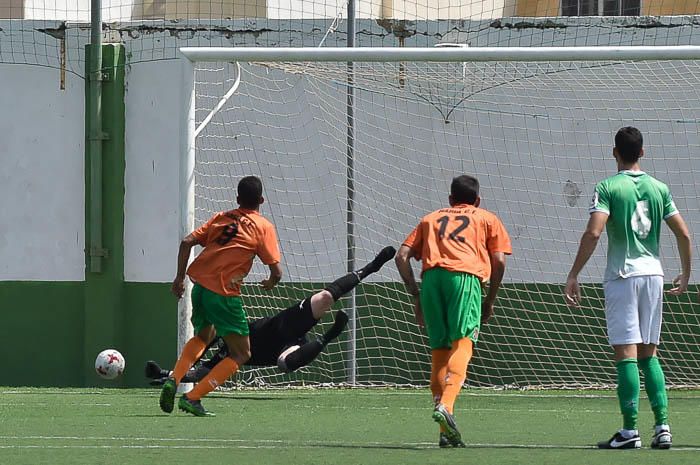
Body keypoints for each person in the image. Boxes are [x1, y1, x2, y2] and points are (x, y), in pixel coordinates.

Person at [564, 127, 692, 450]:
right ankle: (662, 426)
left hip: (623, 276)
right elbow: (684, 234)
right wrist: (686, 273)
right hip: (654, 276)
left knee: (625, 354)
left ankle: (629, 431)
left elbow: (594, 233)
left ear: (614, 153)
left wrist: (573, 273)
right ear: (643, 153)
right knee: (650, 354)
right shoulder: (659, 188)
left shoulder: (607, 187)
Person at [146, 246, 396, 384]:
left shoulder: (228, 326)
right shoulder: (227, 353)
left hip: (281, 327)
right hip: (286, 348)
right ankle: (328, 337)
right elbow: (202, 372)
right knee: (284, 364)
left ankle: (371, 267)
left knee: (325, 298)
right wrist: (170, 376)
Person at [395, 175, 512, 448]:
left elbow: (401, 257)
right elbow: (499, 260)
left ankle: (444, 431)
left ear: (450, 199)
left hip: (431, 279)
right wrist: (490, 299)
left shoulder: (430, 218)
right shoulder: (486, 218)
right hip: (464, 278)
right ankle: (446, 406)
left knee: (439, 351)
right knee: (463, 343)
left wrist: (416, 294)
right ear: (478, 200)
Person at [160, 175, 283, 416]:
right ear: (261, 200)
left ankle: (174, 379)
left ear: (237, 199)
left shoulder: (221, 218)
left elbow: (187, 242)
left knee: (204, 336)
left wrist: (179, 278)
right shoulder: (263, 227)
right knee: (242, 353)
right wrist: (270, 282)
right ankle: (193, 397)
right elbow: (276, 271)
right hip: (224, 294)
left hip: (200, 289)